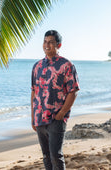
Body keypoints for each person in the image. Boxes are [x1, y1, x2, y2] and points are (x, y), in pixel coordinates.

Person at [31, 30, 80, 170]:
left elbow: (74, 90)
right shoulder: (37, 66)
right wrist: (32, 117)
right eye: (45, 42)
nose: (47, 45)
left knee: (55, 156)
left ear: (59, 45)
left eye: (51, 42)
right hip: (39, 118)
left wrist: (62, 113)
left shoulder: (66, 65)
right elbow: (34, 92)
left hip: (56, 118)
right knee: (46, 156)